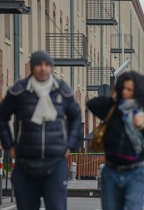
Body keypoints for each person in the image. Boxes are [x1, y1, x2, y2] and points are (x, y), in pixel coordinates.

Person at [0, 51, 82, 210]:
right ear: (32, 67)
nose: (43, 69)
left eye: (47, 65)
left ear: (51, 67)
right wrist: (9, 145)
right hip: (25, 163)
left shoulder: (62, 90)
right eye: (39, 64)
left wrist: (70, 145)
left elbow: (76, 117)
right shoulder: (19, 91)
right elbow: (2, 117)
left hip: (55, 162)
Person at [87, 71, 144, 210]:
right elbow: (92, 104)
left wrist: (143, 126)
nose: (125, 92)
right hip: (111, 171)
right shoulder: (113, 108)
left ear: (138, 91)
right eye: (123, 88)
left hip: (135, 172)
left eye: (129, 89)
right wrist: (114, 100)